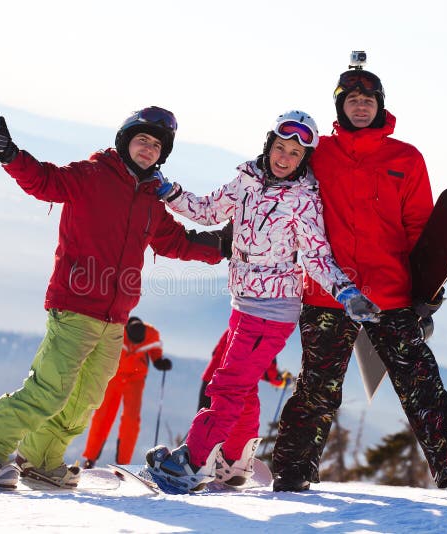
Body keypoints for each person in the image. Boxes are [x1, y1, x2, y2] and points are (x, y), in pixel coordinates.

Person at [270, 66, 447, 497]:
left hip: (389, 292)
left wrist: (428, 288)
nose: (360, 106)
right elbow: (280, 181)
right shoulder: (317, 153)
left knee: (420, 381)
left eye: (368, 100)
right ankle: (292, 472)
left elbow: (422, 227)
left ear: (380, 105)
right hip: (329, 290)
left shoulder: (406, 158)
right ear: (339, 106)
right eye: (352, 100)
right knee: (318, 387)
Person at [0, 107, 225, 490]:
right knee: (48, 390)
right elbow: (46, 182)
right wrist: (11, 156)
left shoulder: (152, 197)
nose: (148, 149)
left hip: (115, 317)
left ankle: (40, 460)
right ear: (125, 139)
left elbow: (176, 241)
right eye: (142, 139)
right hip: (74, 306)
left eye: (156, 145)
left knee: (85, 399)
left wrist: (222, 244)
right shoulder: (94, 175)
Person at [145, 110, 380, 492]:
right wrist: (169, 191)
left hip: (272, 308)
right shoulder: (247, 181)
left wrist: (346, 292)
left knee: (229, 385)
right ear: (269, 144)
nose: (284, 158)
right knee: (245, 383)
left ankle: (194, 460)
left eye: (295, 154)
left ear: (304, 160)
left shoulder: (304, 200)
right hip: (242, 300)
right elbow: (207, 210)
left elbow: (317, 257)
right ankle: (236, 462)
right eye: (281, 148)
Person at [81, 317, 171, 468]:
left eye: (139, 343)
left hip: (135, 379)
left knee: (131, 420)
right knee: (102, 416)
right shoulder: (116, 328)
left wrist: (158, 361)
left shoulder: (152, 334)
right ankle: (90, 458)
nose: (135, 346)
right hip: (114, 375)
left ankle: (123, 463)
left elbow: (155, 350)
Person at [197, 327, 291, 412]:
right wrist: (281, 381)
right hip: (228, 387)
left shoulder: (235, 325)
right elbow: (264, 369)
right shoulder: (261, 332)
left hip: (209, 378)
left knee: (203, 423)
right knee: (220, 426)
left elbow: (215, 352)